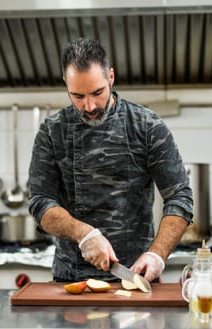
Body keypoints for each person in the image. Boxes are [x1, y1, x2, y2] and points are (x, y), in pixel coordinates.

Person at [28, 37, 193, 283]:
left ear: (111, 77)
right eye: (77, 96)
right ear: (66, 84)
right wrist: (83, 234)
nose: (90, 105)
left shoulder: (147, 126)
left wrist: (157, 254)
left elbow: (180, 197)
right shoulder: (52, 131)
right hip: (72, 280)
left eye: (97, 92)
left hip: (137, 276)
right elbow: (40, 202)